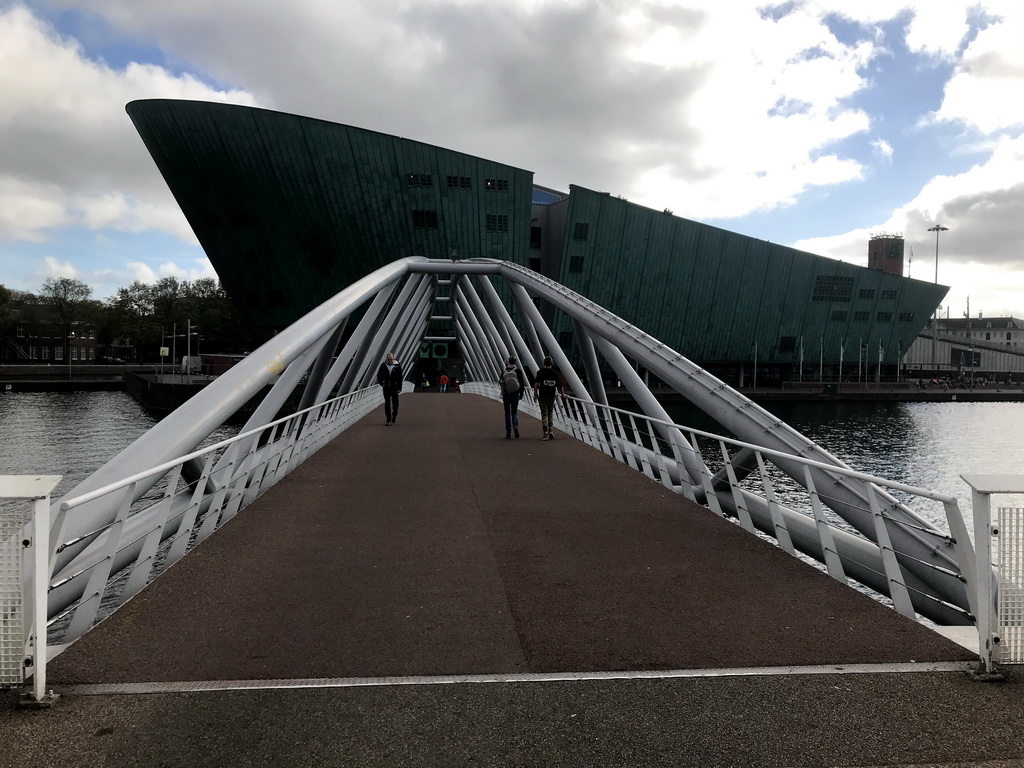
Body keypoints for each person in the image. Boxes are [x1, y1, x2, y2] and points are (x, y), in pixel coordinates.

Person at [533, 355, 564, 440]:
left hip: (542, 395)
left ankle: (545, 433)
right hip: (551, 395)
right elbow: (560, 386)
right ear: (551, 363)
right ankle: (551, 431)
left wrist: (535, 394)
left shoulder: (540, 372)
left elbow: (536, 384)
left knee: (544, 414)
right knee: (550, 412)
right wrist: (563, 394)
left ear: (544, 363)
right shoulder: (554, 373)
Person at [499, 355, 524, 439]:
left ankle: (508, 433)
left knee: (507, 413)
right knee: (514, 412)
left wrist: (503, 392)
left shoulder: (503, 371)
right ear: (515, 362)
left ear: (508, 362)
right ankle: (515, 427)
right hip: (515, 394)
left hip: (506, 394)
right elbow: (522, 383)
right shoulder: (518, 371)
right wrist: (521, 394)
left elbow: (501, 382)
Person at [376, 352, 403, 426]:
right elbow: (379, 375)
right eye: (388, 359)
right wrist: (382, 383)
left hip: (394, 388)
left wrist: (399, 388)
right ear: (386, 359)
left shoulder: (397, 366)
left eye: (391, 359)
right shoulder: (383, 366)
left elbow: (400, 378)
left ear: (393, 359)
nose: (390, 361)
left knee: (395, 403)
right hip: (386, 387)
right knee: (387, 403)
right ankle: (388, 419)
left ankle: (394, 414)